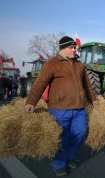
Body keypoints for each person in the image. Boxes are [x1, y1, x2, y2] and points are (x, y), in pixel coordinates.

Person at [24, 36, 97, 176]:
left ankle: (71, 157)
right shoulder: (52, 64)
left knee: (80, 133)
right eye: (71, 47)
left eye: (74, 47)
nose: (74, 49)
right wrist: (31, 102)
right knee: (61, 137)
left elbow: (87, 85)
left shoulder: (79, 65)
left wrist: (93, 99)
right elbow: (40, 83)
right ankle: (58, 163)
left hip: (78, 108)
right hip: (59, 109)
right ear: (62, 48)